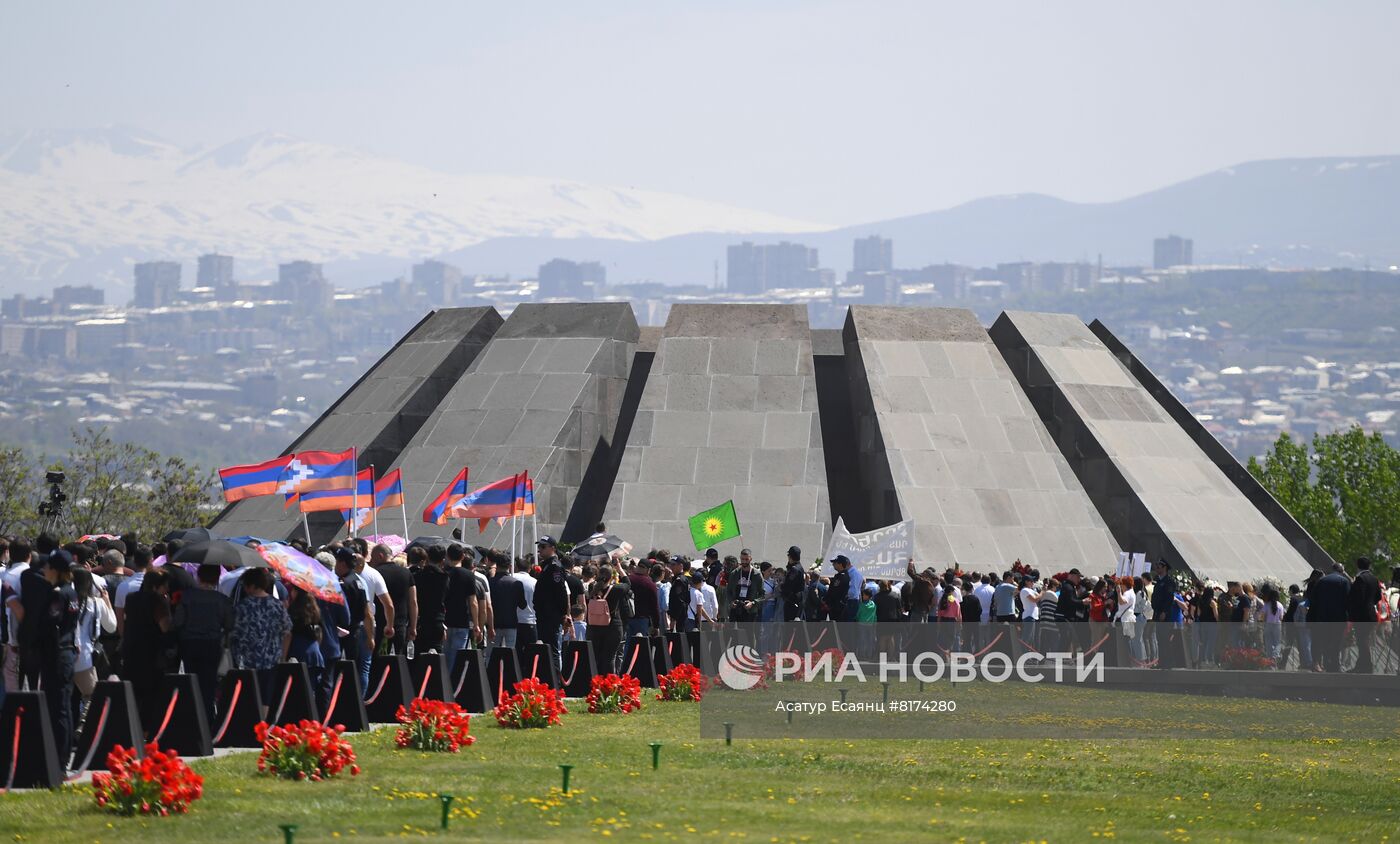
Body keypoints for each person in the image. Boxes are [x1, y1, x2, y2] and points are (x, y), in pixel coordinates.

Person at [32, 551, 81, 764]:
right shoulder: (72, 593)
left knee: (58, 707)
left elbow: (51, 626)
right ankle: (63, 754)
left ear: (56, 570)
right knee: (64, 707)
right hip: (67, 652)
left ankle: (59, 760)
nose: (44, 570)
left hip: (57, 655)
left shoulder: (58, 594)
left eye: (48, 567)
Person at [172, 563, 233, 723]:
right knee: (210, 682)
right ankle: (208, 718)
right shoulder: (223, 600)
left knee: (192, 679)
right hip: (212, 644)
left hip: (189, 643)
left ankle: (192, 716)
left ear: (199, 576)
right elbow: (229, 624)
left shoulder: (186, 597)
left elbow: (178, 621)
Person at [230, 567, 291, 706]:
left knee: (248, 697)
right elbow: (287, 632)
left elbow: (234, 634)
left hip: (246, 661)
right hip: (272, 659)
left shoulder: (243, 607)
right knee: (266, 698)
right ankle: (263, 725)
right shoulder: (277, 605)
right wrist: (283, 656)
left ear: (251, 585)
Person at [532, 536, 570, 673]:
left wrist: (563, 614)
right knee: (545, 648)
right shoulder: (547, 565)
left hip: (551, 615)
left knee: (552, 650)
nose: (539, 550)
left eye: (543, 547)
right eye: (539, 547)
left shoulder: (555, 567)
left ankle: (555, 682)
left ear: (552, 548)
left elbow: (560, 592)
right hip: (544, 614)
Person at [442, 545, 480, 675]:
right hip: (462, 620)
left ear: (447, 556)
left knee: (444, 657)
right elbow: (473, 602)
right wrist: (476, 624)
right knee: (457, 658)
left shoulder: (443, 573)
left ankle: (444, 684)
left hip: (445, 620)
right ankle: (453, 686)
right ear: (462, 557)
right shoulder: (468, 575)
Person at [585, 565, 628, 674]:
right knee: (610, 657)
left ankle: (596, 681)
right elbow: (628, 583)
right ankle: (608, 683)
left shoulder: (592, 587)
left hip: (594, 626)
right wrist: (619, 568)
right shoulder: (617, 589)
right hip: (612, 626)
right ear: (611, 577)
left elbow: (597, 584)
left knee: (596, 656)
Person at [372, 545, 415, 654]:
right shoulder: (406, 573)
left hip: (380, 622)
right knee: (399, 659)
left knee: (378, 659)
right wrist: (413, 626)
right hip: (401, 623)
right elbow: (413, 602)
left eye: (373, 557)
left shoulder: (375, 573)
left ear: (380, 556)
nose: (371, 561)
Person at [1309, 563, 1351, 672]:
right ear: (1342, 571)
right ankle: (1335, 664)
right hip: (1339, 617)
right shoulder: (1344, 581)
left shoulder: (1321, 581)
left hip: (1323, 617)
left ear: (1332, 569)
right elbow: (1348, 600)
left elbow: (1313, 599)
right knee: (1337, 642)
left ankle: (1326, 663)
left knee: (1324, 640)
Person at [412, 545, 450, 654]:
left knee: (419, 653)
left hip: (421, 619)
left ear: (427, 557)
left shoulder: (418, 576)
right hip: (437, 619)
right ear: (442, 560)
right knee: (436, 655)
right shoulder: (444, 578)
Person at [1346, 557, 1382, 673]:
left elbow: (1358, 598)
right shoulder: (1374, 579)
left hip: (1362, 615)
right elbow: (1378, 597)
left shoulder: (1360, 579)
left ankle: (1366, 665)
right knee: (1363, 640)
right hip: (1371, 613)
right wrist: (1370, 604)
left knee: (1362, 641)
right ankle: (1361, 665)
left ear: (1358, 565)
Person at [488, 553, 527, 649]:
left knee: (491, 654)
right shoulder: (516, 583)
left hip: (494, 623)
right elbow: (523, 605)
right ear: (510, 566)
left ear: (496, 565)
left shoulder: (490, 582)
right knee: (510, 653)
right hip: (511, 623)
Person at [626, 560, 660, 639]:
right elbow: (654, 607)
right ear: (648, 570)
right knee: (640, 645)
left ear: (637, 567)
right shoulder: (650, 584)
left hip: (626, 617)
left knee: (627, 644)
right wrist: (656, 625)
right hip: (641, 619)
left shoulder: (627, 580)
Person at [727, 555, 763, 622]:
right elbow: (728, 590)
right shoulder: (734, 573)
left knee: (748, 632)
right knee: (732, 632)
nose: (744, 561)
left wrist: (753, 603)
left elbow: (762, 594)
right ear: (740, 558)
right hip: (735, 608)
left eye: (746, 559)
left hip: (750, 610)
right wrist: (731, 601)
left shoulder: (757, 574)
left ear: (750, 559)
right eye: (742, 559)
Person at [780, 546, 806, 621]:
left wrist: (781, 586)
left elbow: (788, 586)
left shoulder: (795, 569)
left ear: (790, 556)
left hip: (792, 601)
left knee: (790, 628)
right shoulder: (798, 567)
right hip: (796, 601)